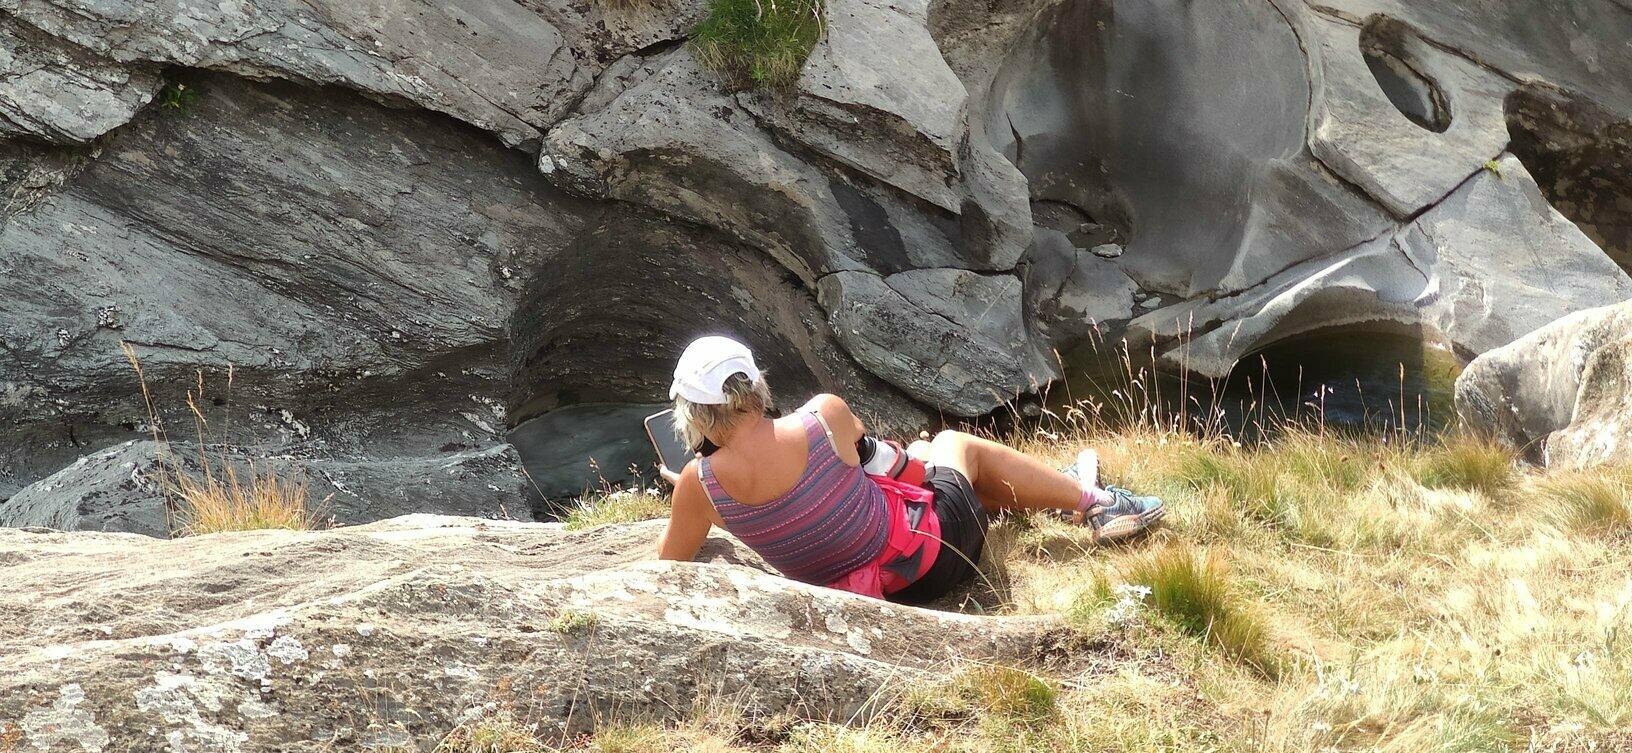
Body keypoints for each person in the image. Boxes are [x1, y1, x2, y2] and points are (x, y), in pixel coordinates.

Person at [656, 336, 1165, 603]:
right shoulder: (821, 416)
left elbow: (667, 564)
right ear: (755, 386)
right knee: (951, 445)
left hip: (881, 599)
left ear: (692, 414)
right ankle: (1095, 502)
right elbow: (903, 472)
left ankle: (1057, 493)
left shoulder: (700, 487)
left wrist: (694, 503)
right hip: (937, 557)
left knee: (943, 473)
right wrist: (917, 458)